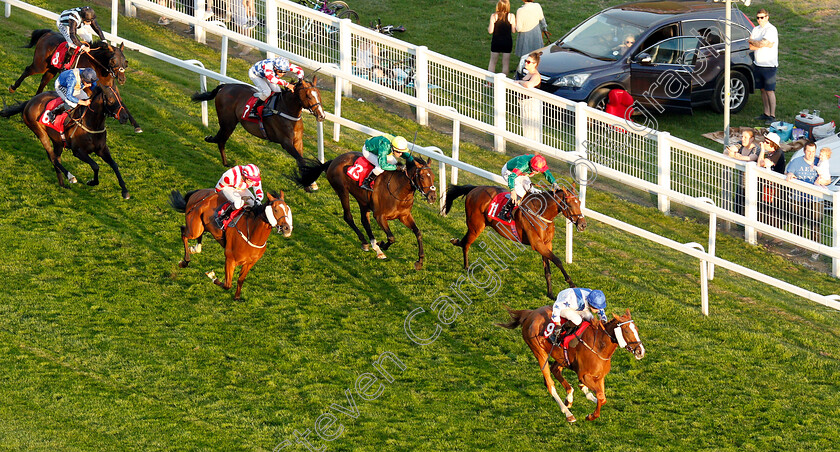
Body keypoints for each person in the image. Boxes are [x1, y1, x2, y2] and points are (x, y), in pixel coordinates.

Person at [785, 142, 823, 257]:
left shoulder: (819, 162)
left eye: (813, 152)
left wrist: (823, 181)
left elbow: (827, 178)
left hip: (815, 199)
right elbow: (788, 172)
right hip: (798, 198)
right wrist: (790, 174)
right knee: (797, 223)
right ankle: (799, 247)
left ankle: (815, 251)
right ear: (804, 151)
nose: (811, 154)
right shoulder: (797, 162)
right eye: (808, 151)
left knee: (814, 225)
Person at [499, 153, 556, 220]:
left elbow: (548, 174)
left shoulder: (540, 163)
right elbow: (511, 178)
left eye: (538, 171)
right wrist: (513, 191)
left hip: (521, 174)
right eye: (534, 170)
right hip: (509, 172)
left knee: (531, 190)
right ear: (531, 165)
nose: (535, 172)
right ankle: (504, 212)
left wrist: (555, 184)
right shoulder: (523, 165)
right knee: (522, 193)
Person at [749, 9, 779, 125]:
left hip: (769, 65)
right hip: (758, 64)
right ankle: (766, 113)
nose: (760, 20)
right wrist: (760, 43)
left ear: (767, 17)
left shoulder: (771, 29)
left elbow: (764, 43)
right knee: (762, 90)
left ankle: (772, 115)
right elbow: (751, 46)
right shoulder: (756, 29)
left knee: (770, 90)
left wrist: (758, 43)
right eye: (758, 18)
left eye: (762, 17)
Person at [214, 163, 264, 227]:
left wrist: (258, 199)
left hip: (242, 189)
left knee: (256, 204)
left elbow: (259, 190)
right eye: (250, 180)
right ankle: (223, 216)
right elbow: (221, 183)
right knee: (238, 203)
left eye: (254, 180)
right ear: (244, 176)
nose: (253, 182)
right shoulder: (231, 175)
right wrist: (217, 191)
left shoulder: (255, 178)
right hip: (229, 187)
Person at [723, 129, 759, 215]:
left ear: (752, 139)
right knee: (738, 206)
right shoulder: (740, 144)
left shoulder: (756, 149)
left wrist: (735, 156)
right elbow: (726, 151)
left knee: (748, 207)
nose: (743, 139)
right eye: (742, 136)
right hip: (741, 182)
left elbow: (750, 158)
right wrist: (733, 153)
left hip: (752, 184)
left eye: (746, 137)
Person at [756, 132, 785, 229]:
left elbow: (762, 163)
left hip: (774, 187)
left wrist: (762, 150)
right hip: (767, 186)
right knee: (763, 209)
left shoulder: (778, 153)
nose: (764, 143)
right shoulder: (772, 153)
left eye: (766, 142)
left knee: (772, 213)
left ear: (773, 144)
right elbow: (758, 165)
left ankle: (776, 238)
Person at [488, 0, 517, 75]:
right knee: (505, 63)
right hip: (507, 42)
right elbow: (514, 30)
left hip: (496, 41)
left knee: (492, 62)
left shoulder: (494, 16)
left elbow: (490, 31)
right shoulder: (511, 16)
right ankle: (504, 81)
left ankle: (489, 83)